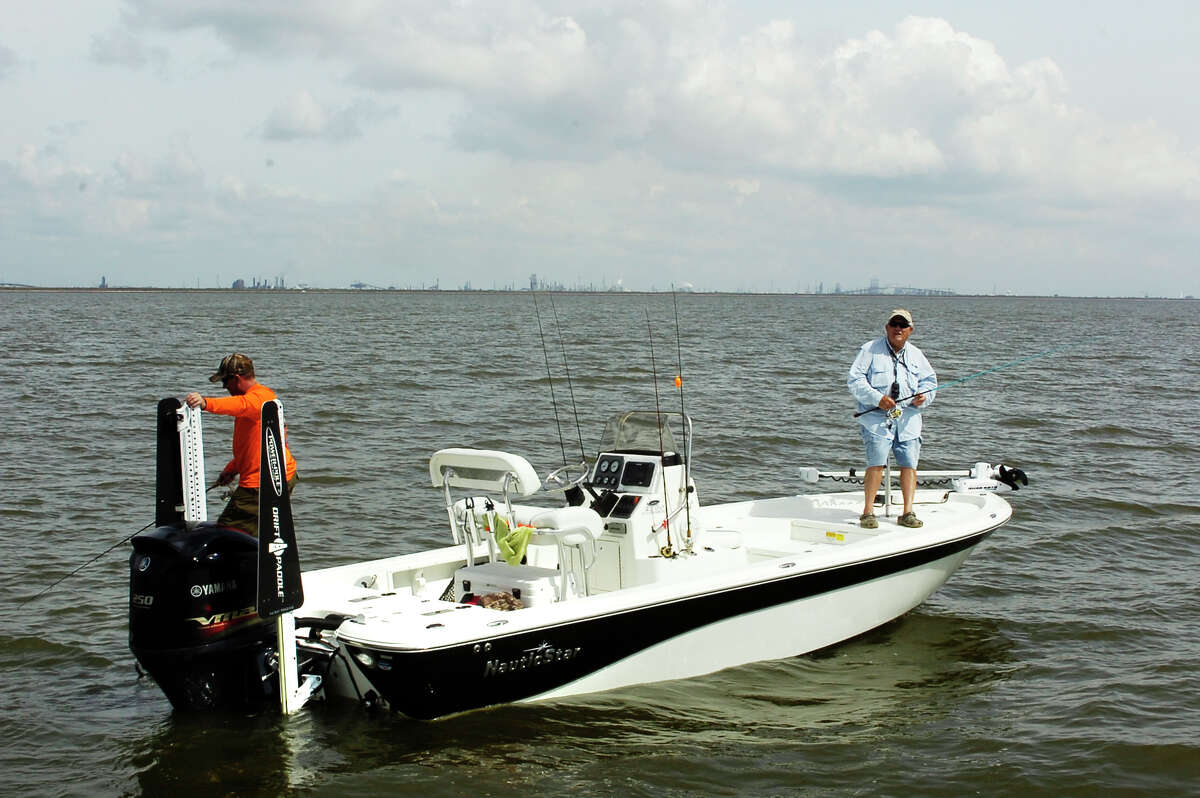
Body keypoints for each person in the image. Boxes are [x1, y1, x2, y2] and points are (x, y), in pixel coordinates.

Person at [185, 353, 297, 537]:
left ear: (236, 378)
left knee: (227, 533)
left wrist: (205, 403)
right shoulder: (259, 400)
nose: (224, 387)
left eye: (225, 381)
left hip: (263, 483)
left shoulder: (259, 399)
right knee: (254, 532)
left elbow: (240, 405)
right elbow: (254, 445)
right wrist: (232, 469)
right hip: (278, 475)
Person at [847, 309, 937, 529]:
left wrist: (923, 397)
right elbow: (855, 380)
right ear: (887, 327)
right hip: (876, 418)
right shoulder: (869, 349)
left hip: (908, 418)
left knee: (909, 465)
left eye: (903, 325)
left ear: (910, 330)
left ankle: (908, 512)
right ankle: (868, 512)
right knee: (876, 463)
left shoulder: (917, 354)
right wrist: (877, 399)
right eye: (894, 324)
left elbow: (930, 382)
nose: (898, 329)